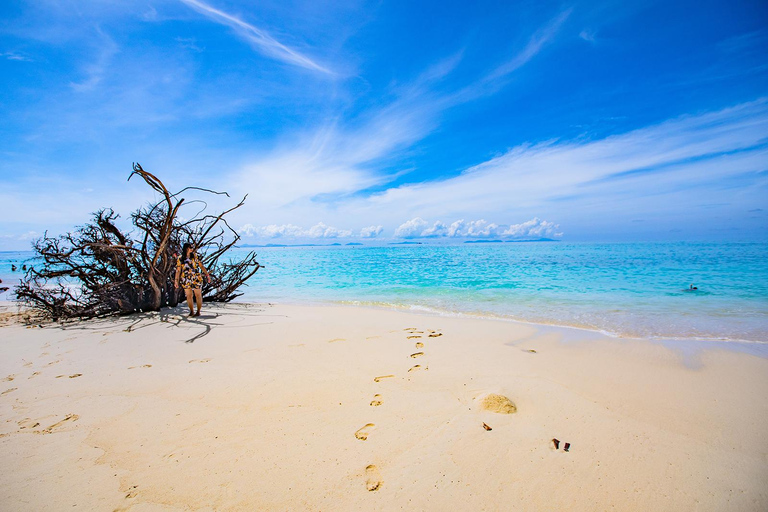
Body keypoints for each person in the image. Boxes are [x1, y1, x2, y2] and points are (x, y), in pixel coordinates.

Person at [174, 243, 211, 317]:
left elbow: (201, 266)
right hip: (186, 278)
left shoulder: (195, 256)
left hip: (196, 277)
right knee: (189, 295)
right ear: (187, 248)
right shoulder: (180, 258)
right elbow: (178, 270)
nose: (192, 249)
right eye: (190, 247)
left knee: (198, 295)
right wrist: (176, 281)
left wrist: (207, 275)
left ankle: (198, 311)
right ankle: (191, 311)